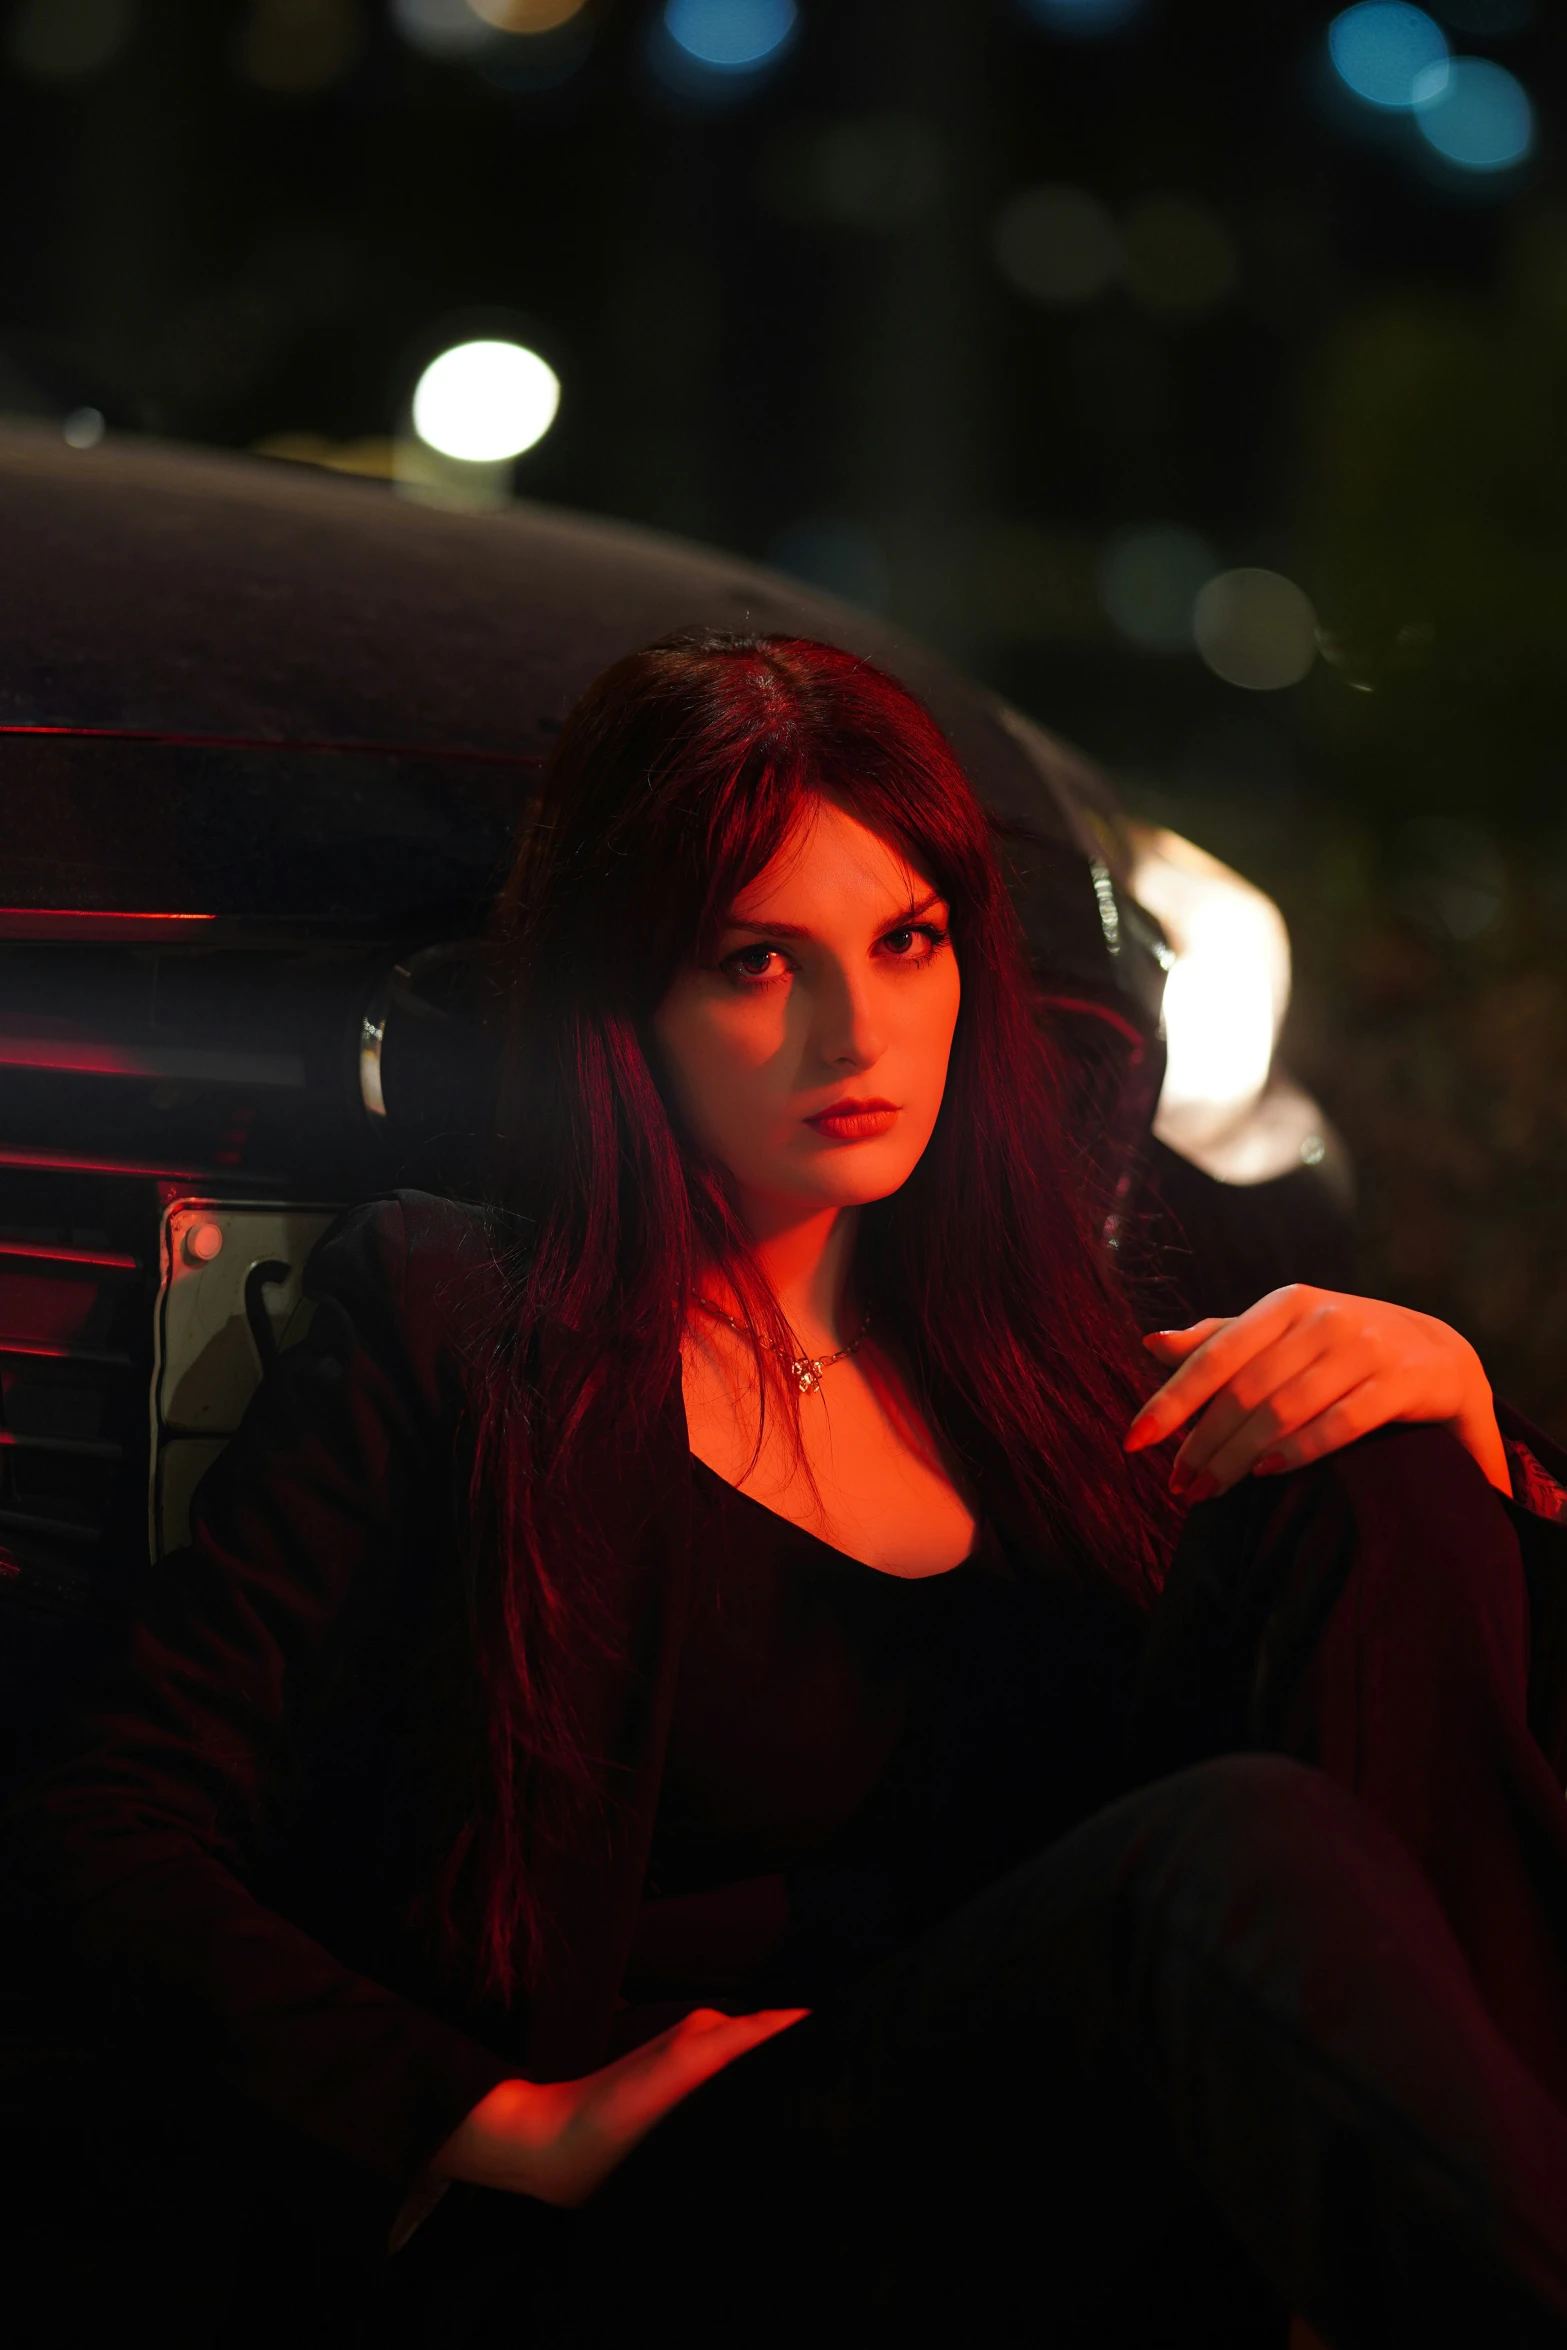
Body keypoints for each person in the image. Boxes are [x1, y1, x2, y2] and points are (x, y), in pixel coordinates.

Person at [18, 633, 1567, 2349]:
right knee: (1236, 1845)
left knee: (1378, 1457)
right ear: (635, 1007)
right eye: (760, 961)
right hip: (708, 2216)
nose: (855, 1031)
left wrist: (1458, 1415)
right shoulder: (454, 1321)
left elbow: (1458, 1773)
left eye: (905, 942)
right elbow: (103, 1825)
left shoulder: (1058, 1377)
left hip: (1067, 2170)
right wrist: (487, 2116)